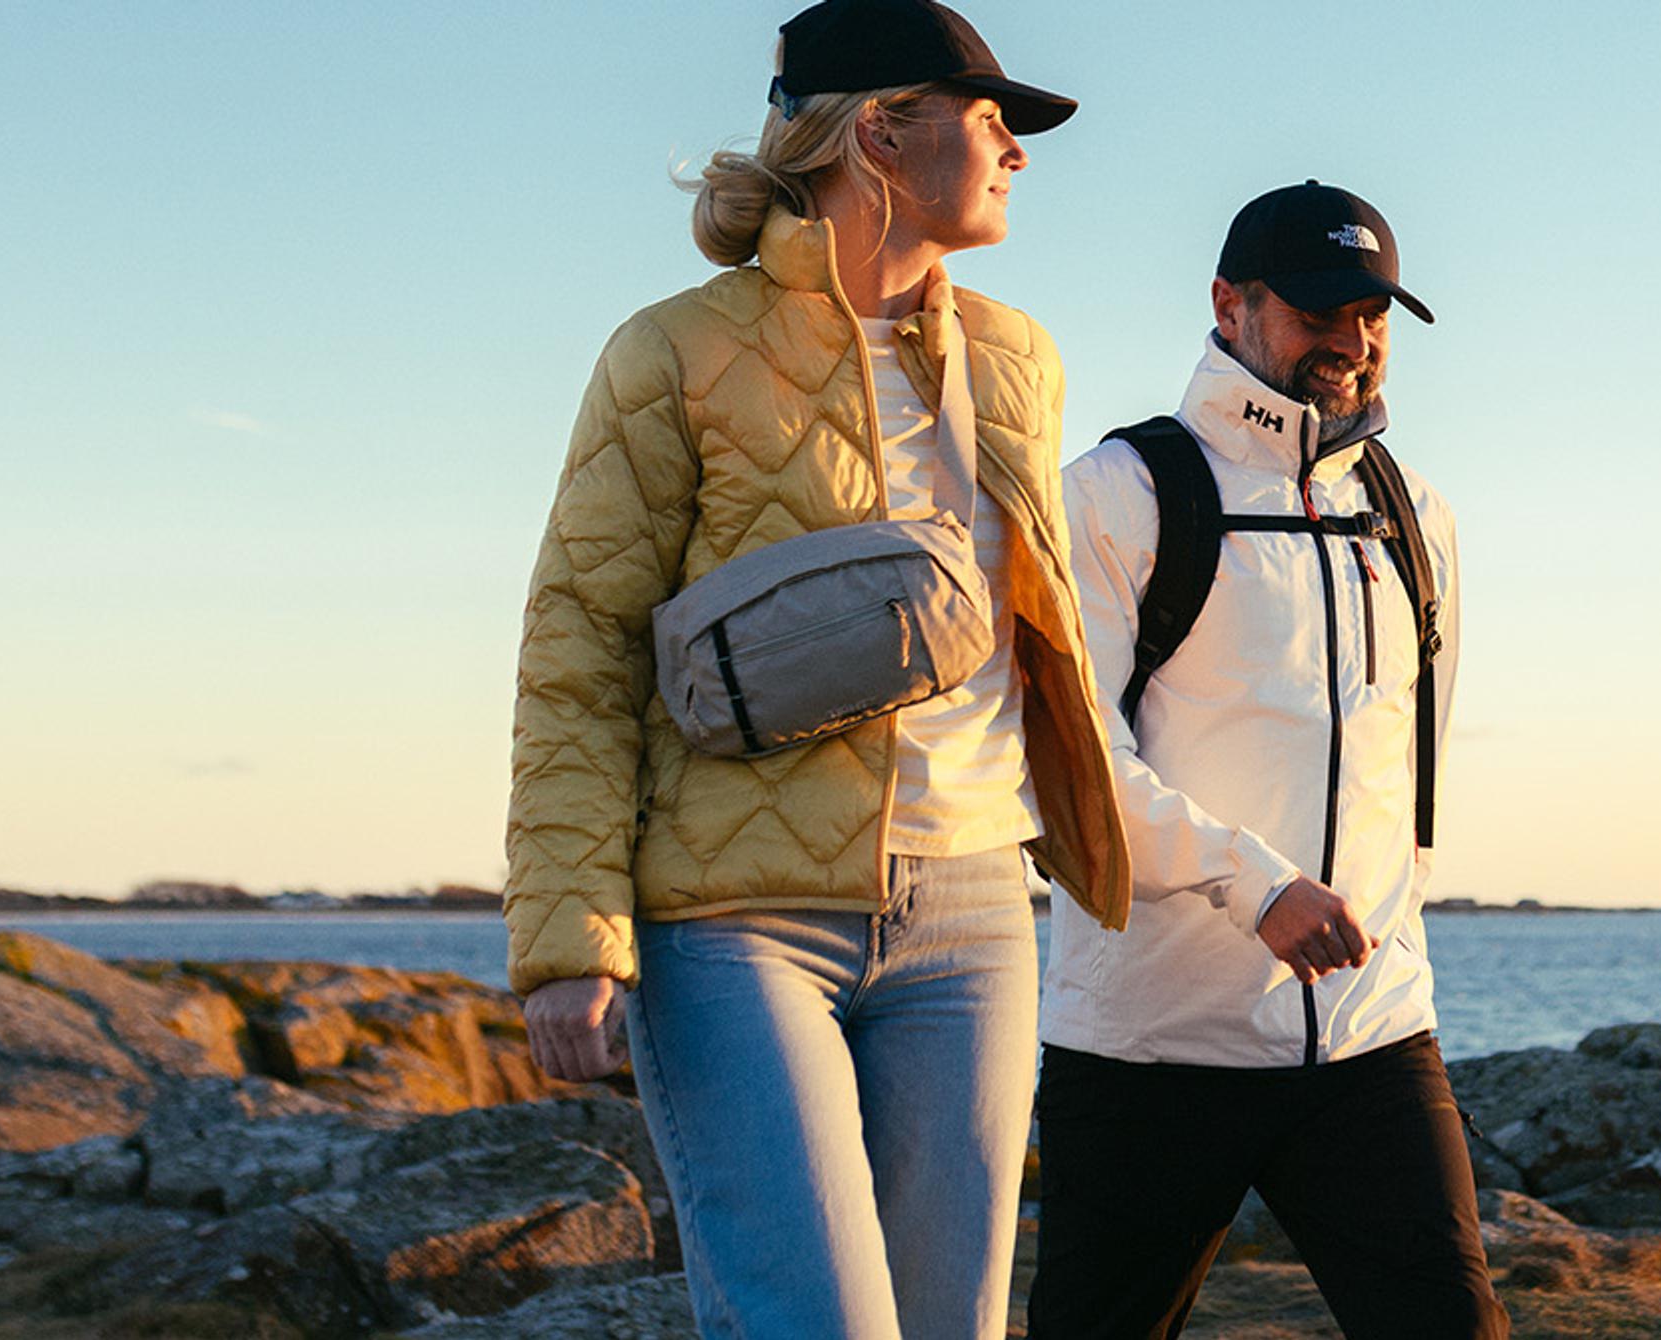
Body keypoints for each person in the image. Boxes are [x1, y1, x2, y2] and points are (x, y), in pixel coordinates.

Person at [500, 1, 1128, 1334]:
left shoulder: (1018, 357)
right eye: (990, 118)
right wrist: (569, 934)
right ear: (882, 131)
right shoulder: (674, 350)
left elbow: (1041, 638)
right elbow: (579, 645)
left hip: (971, 914)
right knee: (813, 1319)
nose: (1017, 151)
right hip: (735, 921)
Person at [1034, 182, 1503, 1339]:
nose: (1352, 340)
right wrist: (1261, 886)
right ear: (1230, 305)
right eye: (1318, 310)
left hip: (1371, 1033)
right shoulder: (1117, 492)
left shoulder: (1414, 512)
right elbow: (1073, 757)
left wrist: (1395, 920)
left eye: (1375, 314)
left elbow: (1419, 758)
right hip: (1152, 1042)